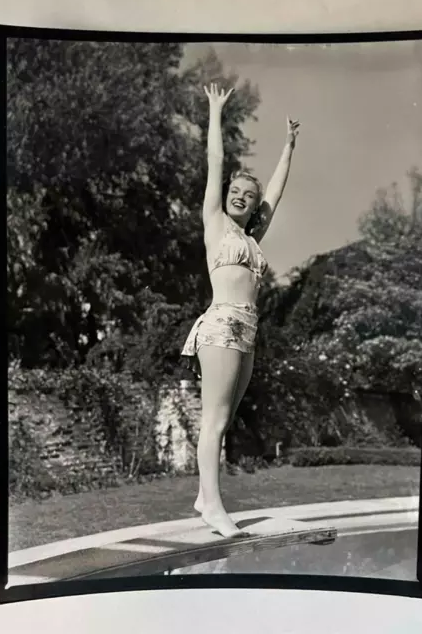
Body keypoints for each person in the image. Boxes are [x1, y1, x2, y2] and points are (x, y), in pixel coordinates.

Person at [181, 83, 300, 538]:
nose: (241, 197)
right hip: (220, 326)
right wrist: (215, 112)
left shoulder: (253, 238)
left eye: (248, 196)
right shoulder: (215, 223)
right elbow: (214, 162)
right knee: (213, 420)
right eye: (236, 190)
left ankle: (203, 496)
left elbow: (276, 192)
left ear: (253, 207)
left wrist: (288, 146)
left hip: (248, 330)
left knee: (224, 420)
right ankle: (212, 506)